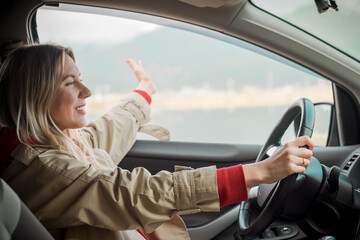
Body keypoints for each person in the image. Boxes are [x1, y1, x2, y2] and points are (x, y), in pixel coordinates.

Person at [0, 44, 314, 240]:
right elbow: (138, 195)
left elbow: (109, 129)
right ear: (36, 96)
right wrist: (259, 172)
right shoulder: (43, 168)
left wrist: (144, 91)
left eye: (81, 77)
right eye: (71, 83)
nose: (87, 91)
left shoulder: (60, 140)